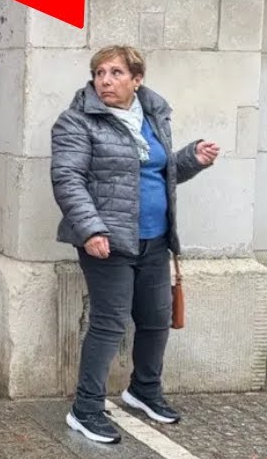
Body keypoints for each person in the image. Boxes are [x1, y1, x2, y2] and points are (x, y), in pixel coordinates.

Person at [50, 45, 220, 445]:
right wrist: (91, 230)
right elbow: (67, 179)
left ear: (136, 79)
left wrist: (191, 158)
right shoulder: (76, 122)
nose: (105, 81)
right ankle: (86, 409)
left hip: (155, 239)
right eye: (99, 73)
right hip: (107, 242)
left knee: (156, 320)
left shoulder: (153, 116)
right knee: (109, 325)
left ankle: (144, 390)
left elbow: (159, 172)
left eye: (115, 73)